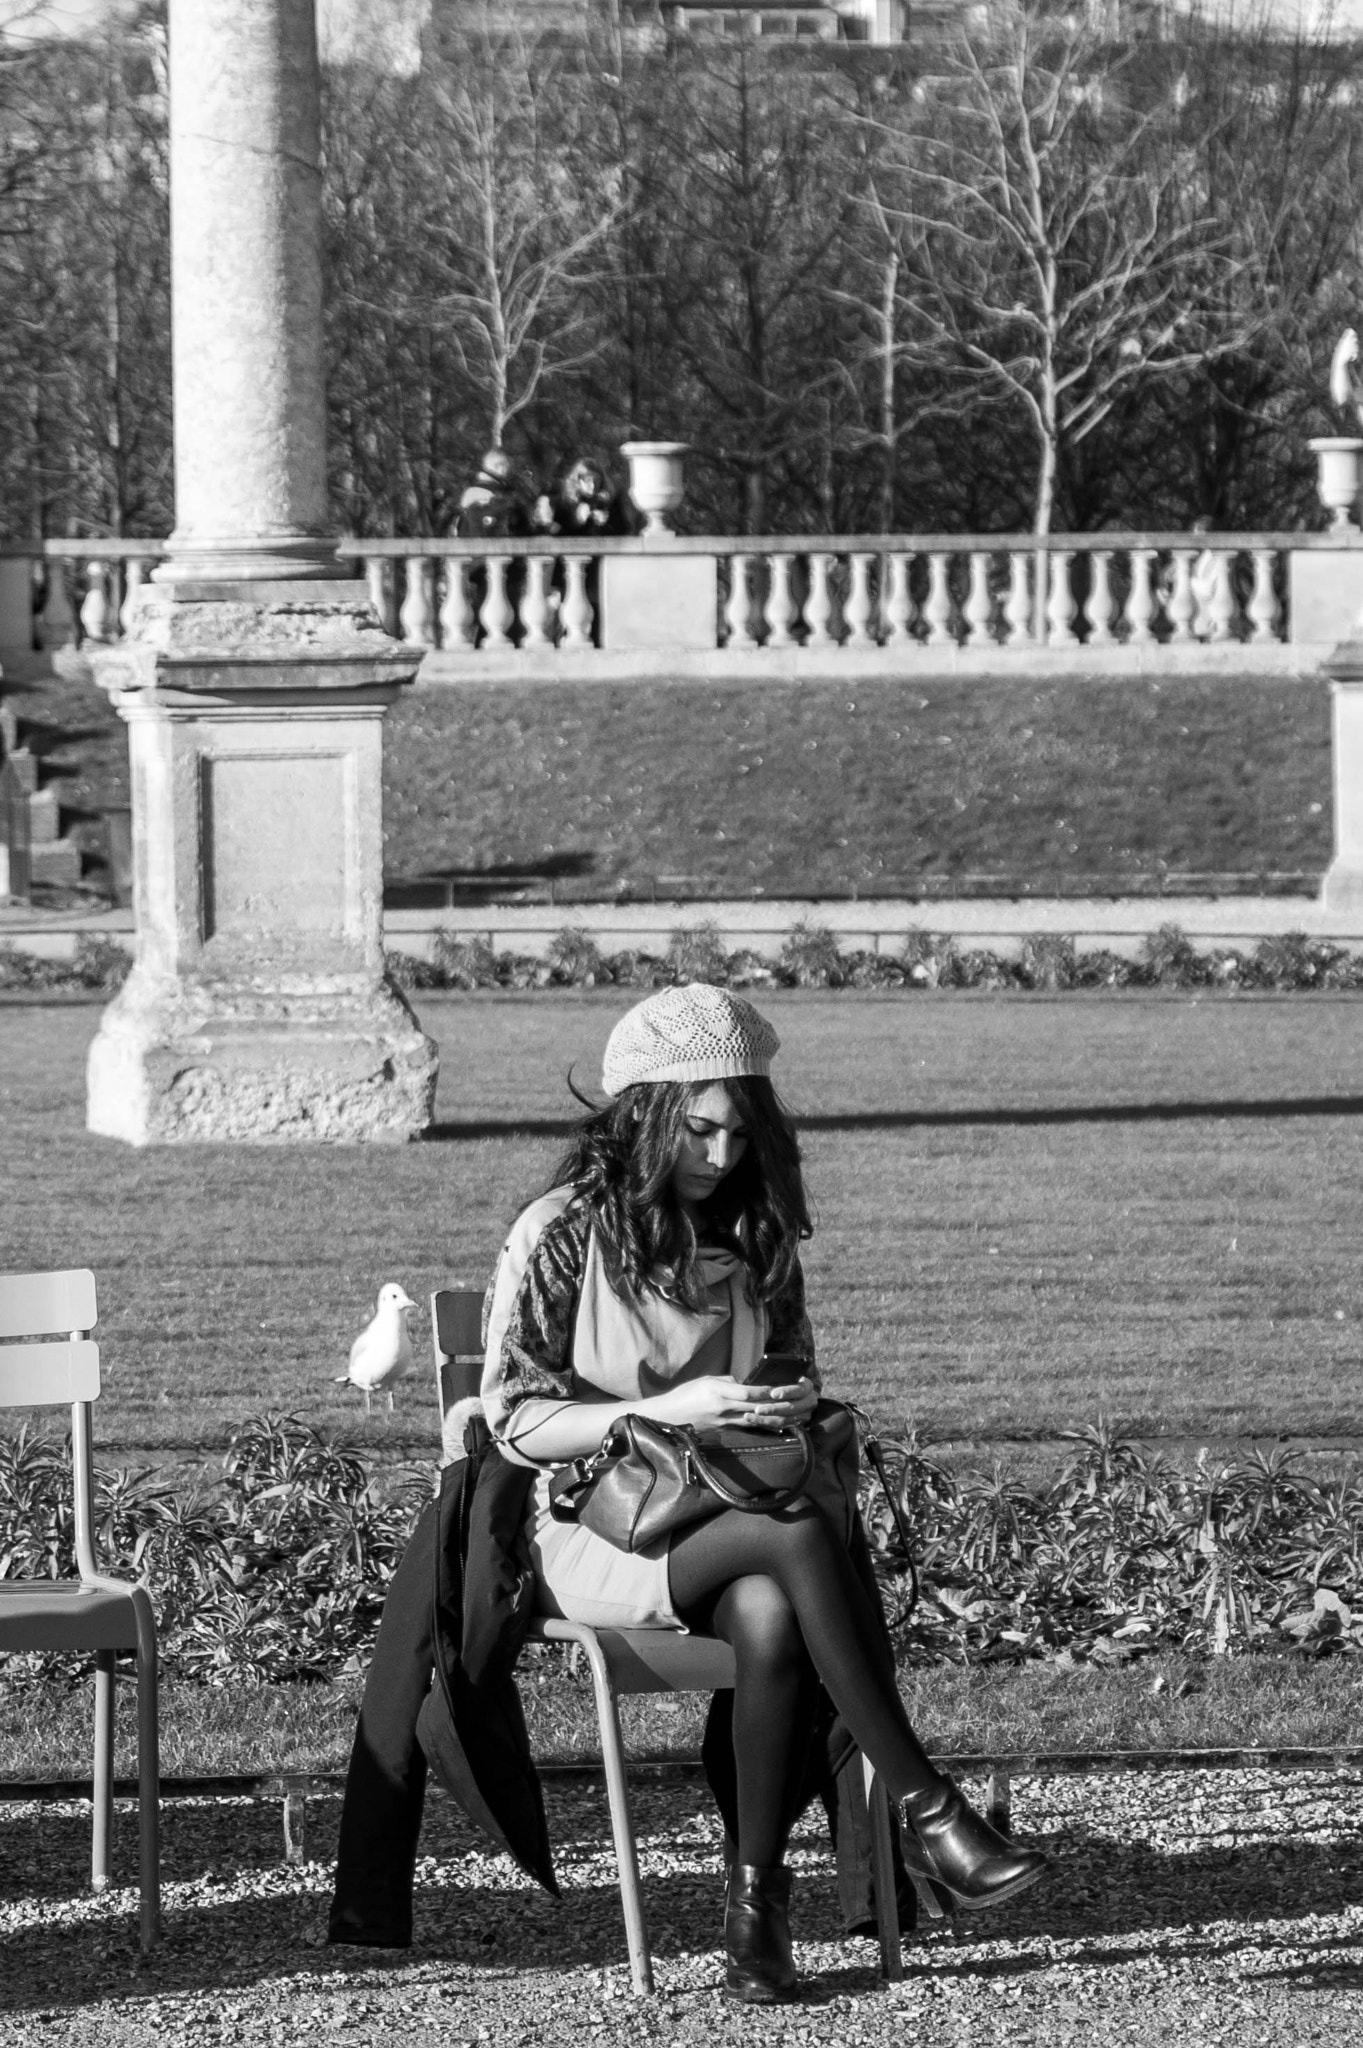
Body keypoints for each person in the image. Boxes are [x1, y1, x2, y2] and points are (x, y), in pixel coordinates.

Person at [482, 982, 1048, 2005]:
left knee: (773, 1602)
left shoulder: (754, 1234)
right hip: (594, 1527)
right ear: (641, 1114)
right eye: (696, 1128)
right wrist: (673, 1407)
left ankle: (758, 1921)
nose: (719, 1153)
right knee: (792, 1534)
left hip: (732, 1515)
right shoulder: (560, 1232)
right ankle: (925, 1805)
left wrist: (779, 1403)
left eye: (739, 1132)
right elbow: (512, 1417)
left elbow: (791, 1377)